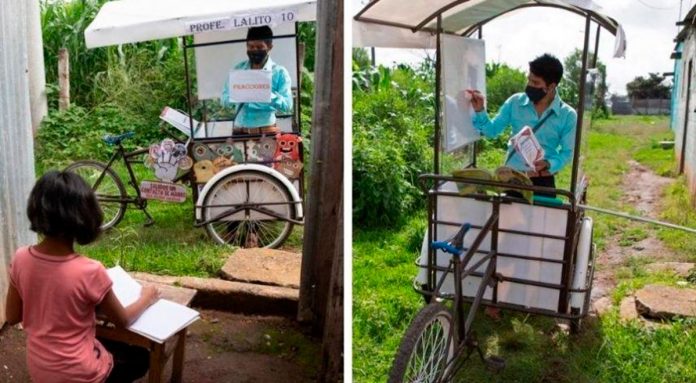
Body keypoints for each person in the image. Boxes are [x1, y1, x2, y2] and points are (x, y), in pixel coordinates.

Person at [4, 170, 160, 383]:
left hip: (40, 369)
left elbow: (12, 317)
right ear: (86, 215)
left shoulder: (21, 258)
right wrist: (147, 297)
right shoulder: (90, 270)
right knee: (141, 356)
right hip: (82, 374)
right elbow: (122, 321)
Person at [468, 53, 577, 197]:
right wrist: (480, 110)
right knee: (507, 219)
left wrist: (549, 164)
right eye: (529, 80)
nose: (530, 86)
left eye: (536, 83)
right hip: (513, 178)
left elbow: (567, 153)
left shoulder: (567, 115)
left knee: (540, 219)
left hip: (542, 181)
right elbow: (492, 130)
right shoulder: (515, 103)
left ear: (551, 87)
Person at [222, 26, 293, 135]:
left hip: (267, 132)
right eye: (251, 47)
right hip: (239, 131)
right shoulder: (239, 70)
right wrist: (238, 95)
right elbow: (224, 100)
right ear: (246, 46)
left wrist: (266, 94)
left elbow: (287, 106)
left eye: (260, 47)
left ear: (269, 47)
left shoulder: (279, 73)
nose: (255, 50)